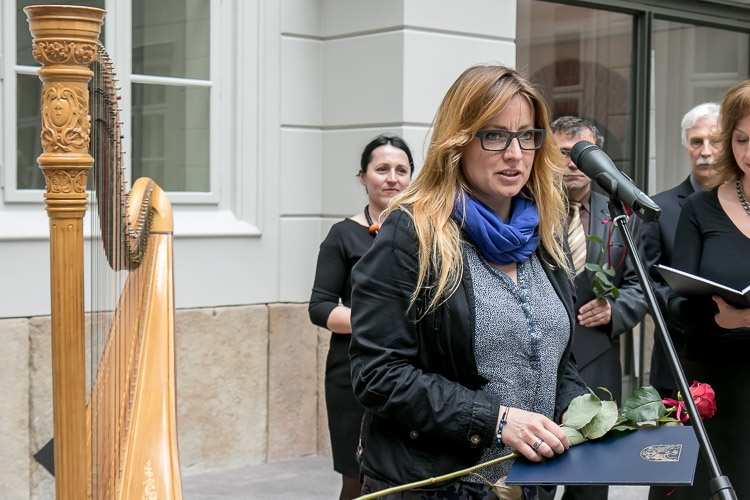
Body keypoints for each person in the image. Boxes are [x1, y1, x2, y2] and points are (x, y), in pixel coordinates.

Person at [349, 64, 589, 500]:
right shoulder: (413, 232)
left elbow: (555, 358)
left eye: (527, 135)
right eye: (495, 135)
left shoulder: (545, 232)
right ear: (458, 141)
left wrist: (581, 412)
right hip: (438, 486)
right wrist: (496, 421)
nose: (515, 154)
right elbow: (377, 374)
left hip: (529, 485)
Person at [649, 81, 750, 500]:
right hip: (712, 383)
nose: (749, 151)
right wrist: (723, 318)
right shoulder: (699, 207)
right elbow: (676, 302)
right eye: (741, 139)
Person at [541, 117, 647, 500]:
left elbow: (640, 285)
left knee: (592, 483)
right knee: (537, 477)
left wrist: (615, 309)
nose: (572, 163)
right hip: (542, 364)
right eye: (563, 153)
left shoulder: (621, 214)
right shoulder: (529, 209)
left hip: (599, 360)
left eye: (582, 154)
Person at [308, 134, 414, 500]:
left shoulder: (428, 233)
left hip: (415, 372)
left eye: (401, 170)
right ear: (363, 177)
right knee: (357, 481)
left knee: (409, 479)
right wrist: (377, 322)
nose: (392, 178)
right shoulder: (342, 235)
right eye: (382, 169)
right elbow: (320, 307)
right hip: (355, 372)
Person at [639, 103, 721, 399]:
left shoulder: (744, 209)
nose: (705, 151)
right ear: (686, 147)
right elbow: (649, 282)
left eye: (715, 141)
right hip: (677, 356)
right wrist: (694, 315)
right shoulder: (658, 210)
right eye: (697, 142)